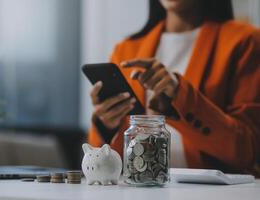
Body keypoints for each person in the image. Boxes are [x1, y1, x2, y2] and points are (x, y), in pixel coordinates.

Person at [88, 0, 260, 176]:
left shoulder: (245, 41)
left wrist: (179, 95)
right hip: (140, 188)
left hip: (217, 192)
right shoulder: (126, 49)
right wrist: (106, 125)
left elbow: (246, 150)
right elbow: (104, 161)